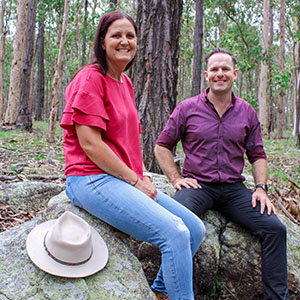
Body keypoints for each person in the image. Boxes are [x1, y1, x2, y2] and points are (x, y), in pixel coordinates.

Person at [60, 11, 205, 300]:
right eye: (116, 35)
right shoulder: (90, 79)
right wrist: (135, 182)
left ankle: (162, 290)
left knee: (193, 228)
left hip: (121, 178)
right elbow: (90, 144)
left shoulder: (124, 82)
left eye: (130, 35)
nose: (124, 41)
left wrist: (141, 175)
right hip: (90, 179)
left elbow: (125, 140)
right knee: (174, 233)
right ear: (102, 42)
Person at [154, 48, 289, 300]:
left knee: (275, 229)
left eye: (225, 69)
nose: (220, 74)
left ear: (235, 74)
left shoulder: (246, 111)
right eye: (214, 69)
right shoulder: (187, 109)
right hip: (198, 186)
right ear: (206, 75)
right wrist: (175, 178)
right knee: (176, 224)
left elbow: (257, 155)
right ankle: (163, 288)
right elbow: (162, 146)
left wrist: (261, 188)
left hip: (234, 190)